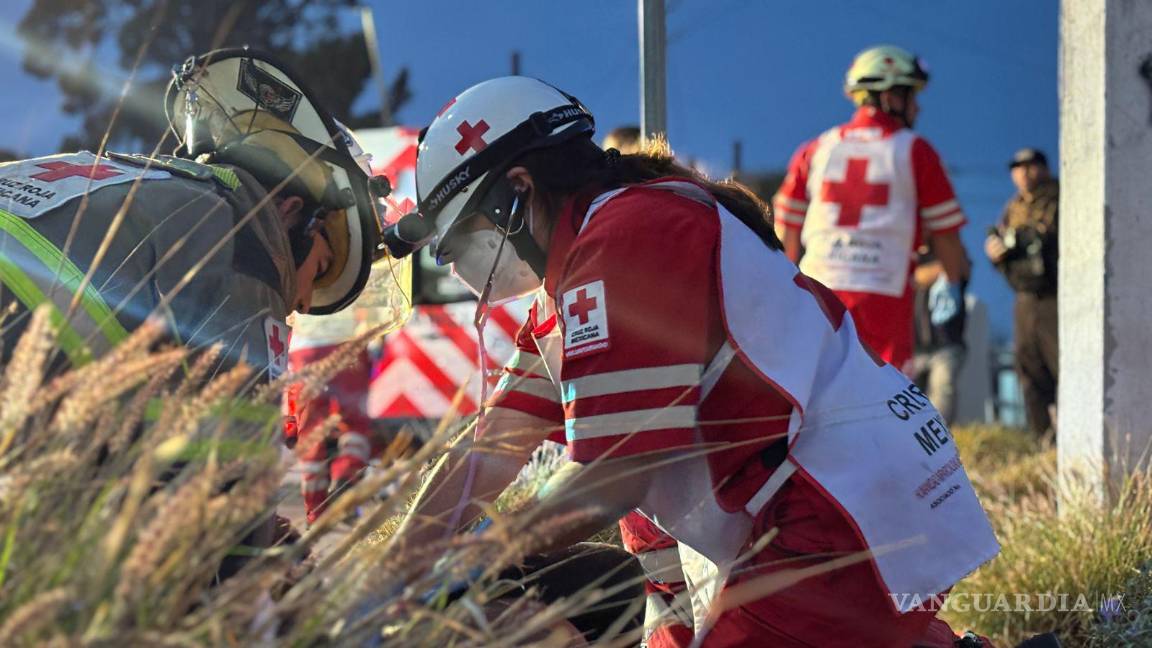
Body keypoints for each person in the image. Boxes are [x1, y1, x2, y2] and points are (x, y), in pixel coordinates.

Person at [394, 76, 999, 646]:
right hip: (839, 495)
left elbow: (610, 479)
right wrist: (390, 571)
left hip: (838, 512)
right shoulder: (579, 273)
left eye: (464, 238)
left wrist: (486, 555)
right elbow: (486, 450)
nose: (463, 267)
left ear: (516, 194)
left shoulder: (623, 239)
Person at [772, 45, 970, 374]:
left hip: (818, 295)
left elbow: (786, 234)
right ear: (889, 96)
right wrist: (951, 281)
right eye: (910, 96)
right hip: (883, 300)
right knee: (883, 406)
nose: (917, 108)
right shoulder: (916, 151)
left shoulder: (815, 149)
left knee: (818, 396)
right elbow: (947, 237)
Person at [985, 148, 1058, 437]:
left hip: (1054, 295)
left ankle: (1069, 437)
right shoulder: (1012, 207)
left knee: (1059, 366)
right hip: (1025, 296)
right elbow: (1000, 241)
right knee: (1029, 368)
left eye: (1031, 166)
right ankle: (1043, 439)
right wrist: (997, 250)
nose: (1024, 173)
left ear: (1043, 168)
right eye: (1018, 167)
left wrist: (1026, 241)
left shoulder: (1058, 198)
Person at [912, 247, 969, 425]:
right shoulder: (906, 251)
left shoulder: (948, 246)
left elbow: (961, 267)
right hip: (913, 346)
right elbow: (913, 278)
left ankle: (941, 443)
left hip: (947, 344)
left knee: (943, 390)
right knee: (908, 397)